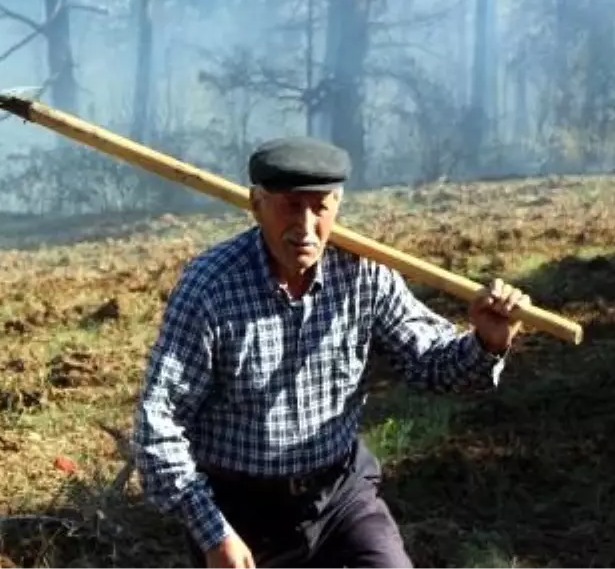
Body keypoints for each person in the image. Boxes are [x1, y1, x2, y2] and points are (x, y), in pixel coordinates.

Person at [131, 135, 529, 569]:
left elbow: (431, 363)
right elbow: (159, 420)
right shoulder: (210, 287)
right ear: (256, 203)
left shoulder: (365, 275)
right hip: (240, 510)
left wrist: (487, 342)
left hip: (340, 496)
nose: (305, 228)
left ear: (337, 205)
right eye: (289, 206)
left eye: (320, 207)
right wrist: (213, 533)